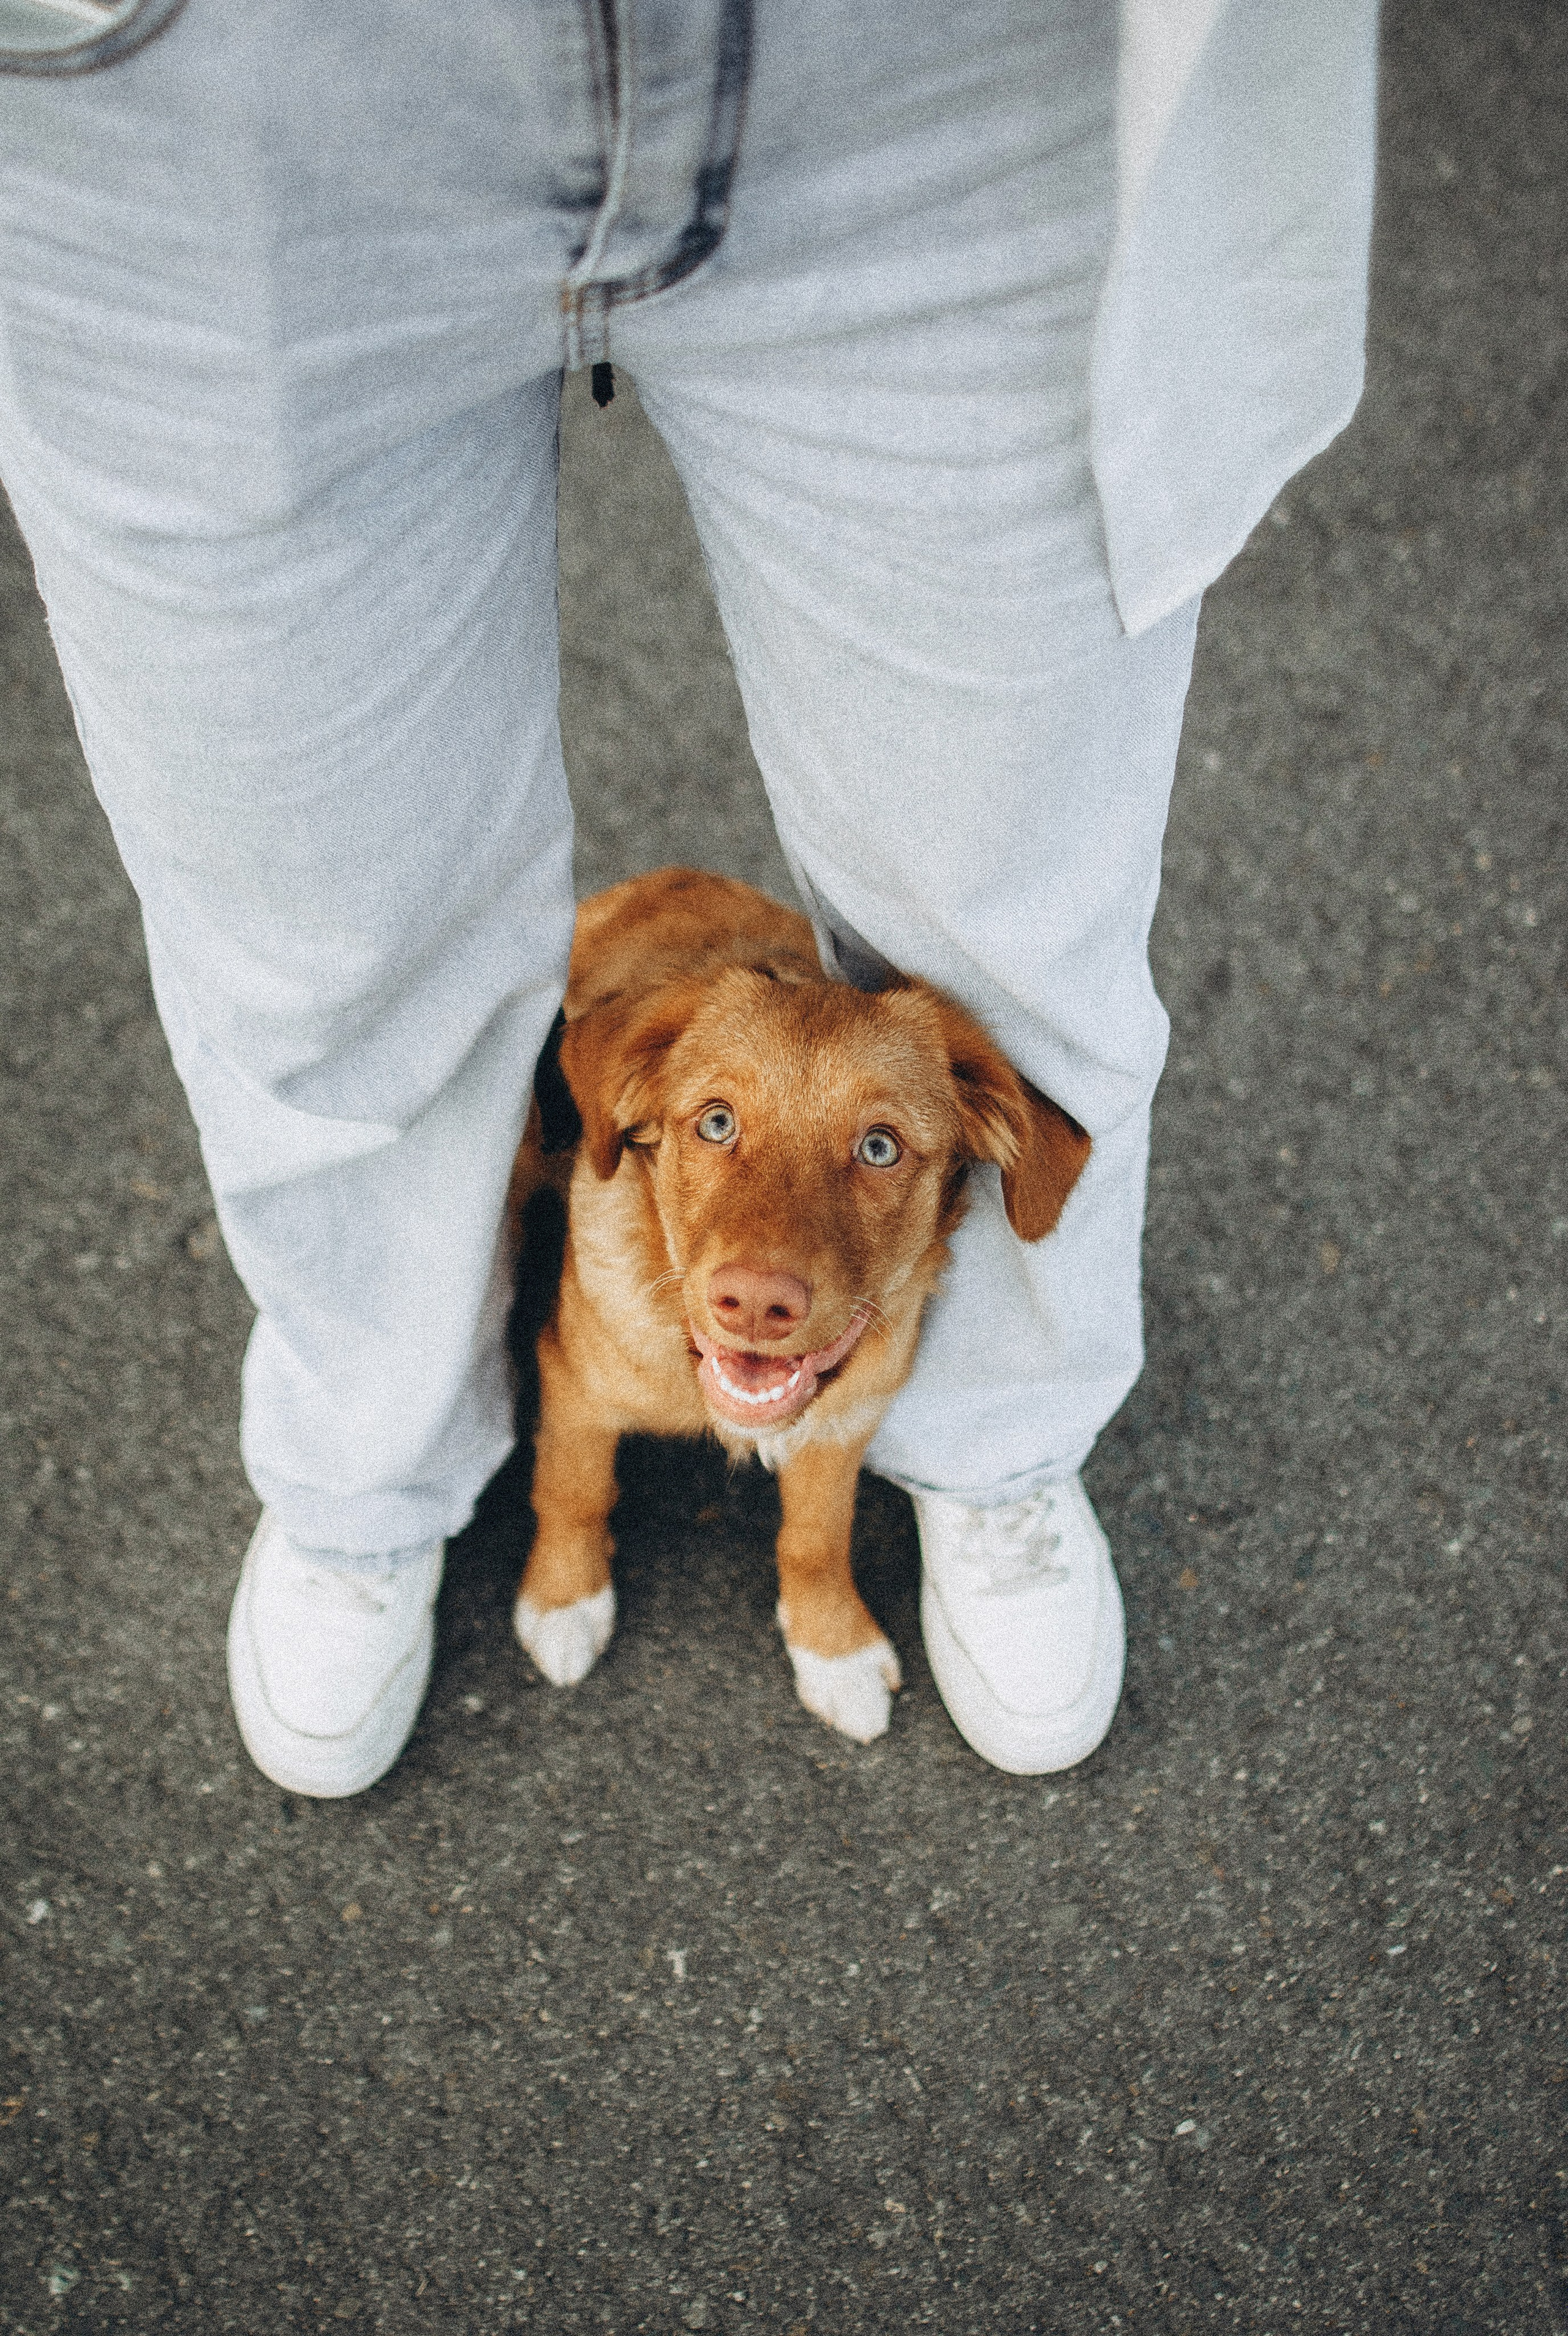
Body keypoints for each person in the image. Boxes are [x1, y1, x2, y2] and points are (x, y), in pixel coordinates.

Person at [0, 0, 1377, 1793]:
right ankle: (373, 1459)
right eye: (705, 1127)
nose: (760, 1262)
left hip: (951, 68)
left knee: (1010, 905)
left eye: (881, 1149)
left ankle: (995, 1445)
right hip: (215, 82)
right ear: (639, 1114)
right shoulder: (633, 1141)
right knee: (321, 948)